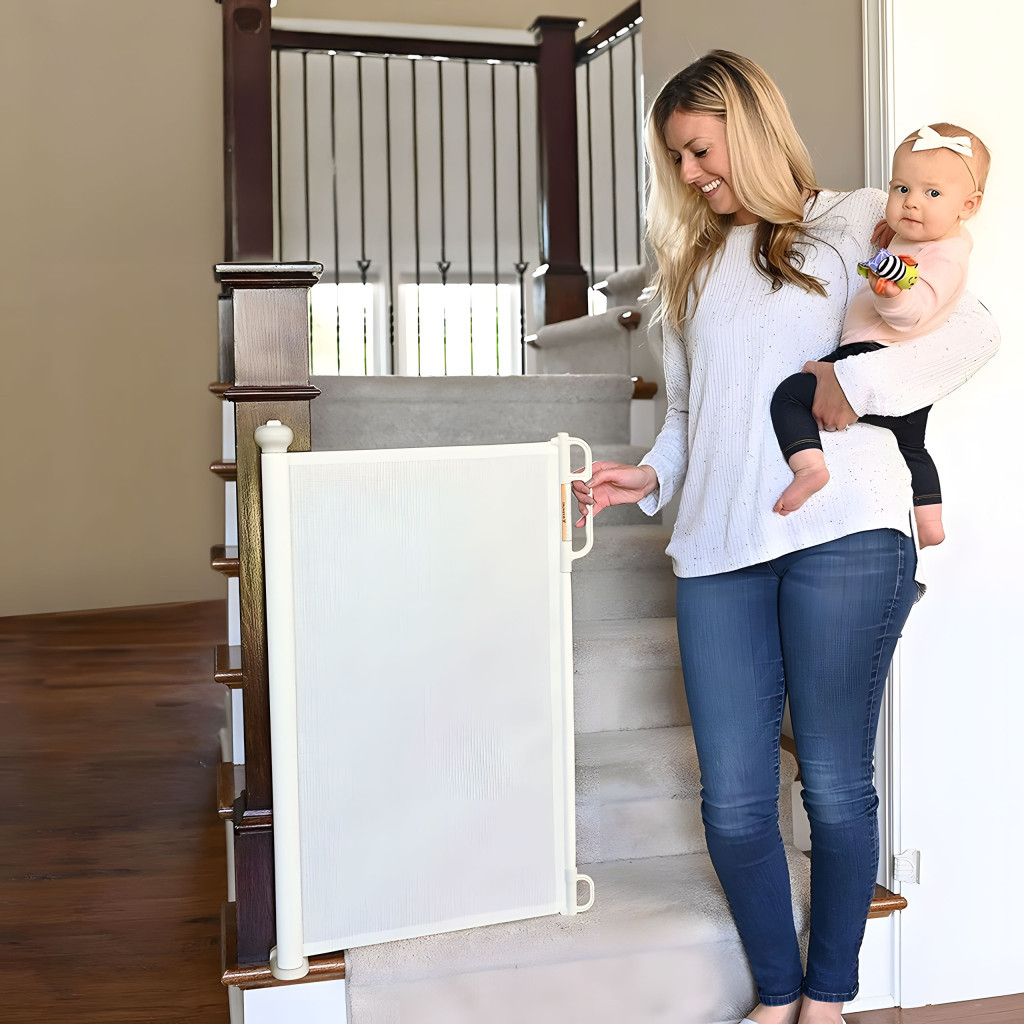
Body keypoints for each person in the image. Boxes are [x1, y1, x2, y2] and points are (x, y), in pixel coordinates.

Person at [571, 51, 998, 1024]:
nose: (688, 174)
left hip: (846, 532)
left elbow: (968, 329)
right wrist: (651, 475)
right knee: (732, 801)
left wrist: (858, 384)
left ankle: (827, 998)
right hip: (717, 547)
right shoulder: (688, 266)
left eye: (699, 150)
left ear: (751, 128)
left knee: (836, 784)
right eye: (676, 159)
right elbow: (691, 414)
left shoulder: (859, 221)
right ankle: (775, 995)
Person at [770, 122, 989, 547]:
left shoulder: (944, 260)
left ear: (969, 204)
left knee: (791, 395)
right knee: (912, 447)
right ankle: (929, 522)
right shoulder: (940, 239)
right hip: (905, 378)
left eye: (932, 194)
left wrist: (892, 295)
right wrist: (900, 232)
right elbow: (915, 237)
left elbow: (913, 311)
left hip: (873, 353)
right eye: (901, 189)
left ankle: (809, 467)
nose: (911, 203)